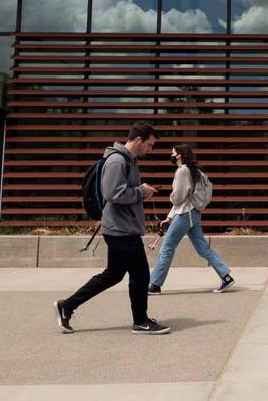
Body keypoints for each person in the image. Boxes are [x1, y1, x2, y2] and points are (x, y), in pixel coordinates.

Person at [54, 122, 170, 336]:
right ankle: (141, 321)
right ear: (138, 140)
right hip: (120, 229)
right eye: (150, 145)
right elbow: (113, 194)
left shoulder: (129, 161)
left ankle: (67, 305)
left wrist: (142, 190)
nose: (150, 149)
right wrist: (141, 192)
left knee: (113, 275)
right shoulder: (117, 160)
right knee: (141, 275)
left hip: (121, 227)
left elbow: (124, 191)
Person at [147, 143, 234, 294]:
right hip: (193, 213)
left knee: (167, 248)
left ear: (179, 154)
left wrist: (171, 197)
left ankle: (154, 284)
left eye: (173, 152)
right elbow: (186, 198)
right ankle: (225, 276)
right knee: (202, 248)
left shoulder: (182, 171)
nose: (171, 155)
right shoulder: (194, 171)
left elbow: (178, 198)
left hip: (184, 215)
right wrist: (169, 217)